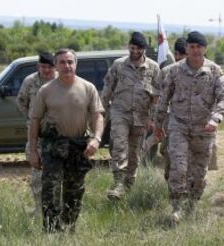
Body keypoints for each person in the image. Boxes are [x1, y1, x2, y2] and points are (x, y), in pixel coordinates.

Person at [154, 31, 224, 223]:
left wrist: (216, 118)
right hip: (179, 127)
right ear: (186, 49)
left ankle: (191, 205)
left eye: (199, 47)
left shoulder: (214, 71)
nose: (195, 50)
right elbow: (163, 100)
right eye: (191, 47)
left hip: (204, 130)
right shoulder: (174, 71)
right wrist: (158, 124)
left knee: (199, 175)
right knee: (178, 168)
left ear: (204, 49)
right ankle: (177, 208)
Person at [29, 48, 104, 233]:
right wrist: (32, 149)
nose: (67, 66)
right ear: (56, 65)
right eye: (62, 62)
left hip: (78, 147)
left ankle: (69, 228)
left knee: (75, 191)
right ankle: (52, 232)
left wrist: (96, 138)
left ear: (76, 64)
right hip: (53, 147)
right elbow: (35, 120)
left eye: (70, 62)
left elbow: (98, 116)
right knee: (50, 191)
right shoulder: (46, 90)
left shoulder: (88, 88)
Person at [101, 31, 160, 200]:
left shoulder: (153, 68)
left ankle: (128, 186)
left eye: (139, 49)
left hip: (141, 117)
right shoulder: (118, 65)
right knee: (119, 146)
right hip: (120, 113)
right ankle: (118, 183)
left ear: (144, 50)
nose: (135, 52)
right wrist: (101, 114)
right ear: (129, 47)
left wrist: (153, 119)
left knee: (135, 153)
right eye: (132, 48)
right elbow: (107, 91)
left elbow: (156, 97)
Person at [16, 51, 56, 217]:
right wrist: (33, 119)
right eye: (42, 66)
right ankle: (40, 211)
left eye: (49, 67)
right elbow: (21, 102)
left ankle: (56, 211)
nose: (46, 70)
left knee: (57, 177)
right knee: (38, 177)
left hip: (57, 135)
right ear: (38, 66)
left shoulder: (61, 80)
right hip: (36, 136)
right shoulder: (30, 81)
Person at [159, 37, 187, 181]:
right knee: (169, 151)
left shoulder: (198, 71)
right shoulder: (166, 72)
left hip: (191, 122)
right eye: (178, 54)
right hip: (171, 121)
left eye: (184, 54)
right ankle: (171, 179)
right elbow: (158, 99)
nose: (180, 58)